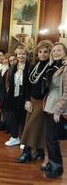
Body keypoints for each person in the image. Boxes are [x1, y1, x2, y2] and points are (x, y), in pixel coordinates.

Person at [15, 40, 53, 163]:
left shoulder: (52, 68)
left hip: (43, 103)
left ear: (50, 53)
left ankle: (26, 152)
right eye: (40, 51)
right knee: (37, 127)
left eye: (45, 52)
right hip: (31, 101)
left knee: (31, 127)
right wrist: (27, 100)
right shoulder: (33, 66)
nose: (42, 54)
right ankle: (40, 152)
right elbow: (27, 85)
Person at [41, 42, 67, 178]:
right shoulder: (54, 66)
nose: (55, 52)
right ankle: (51, 163)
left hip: (57, 108)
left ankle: (57, 168)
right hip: (49, 105)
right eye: (54, 51)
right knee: (49, 138)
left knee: (52, 139)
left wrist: (58, 111)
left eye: (59, 50)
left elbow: (66, 93)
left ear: (65, 52)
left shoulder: (66, 67)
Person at [5, 46, 31, 147]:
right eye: (19, 54)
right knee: (13, 117)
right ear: (16, 55)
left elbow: (30, 85)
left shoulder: (30, 67)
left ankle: (24, 140)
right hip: (13, 96)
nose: (21, 55)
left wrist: (28, 99)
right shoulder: (13, 67)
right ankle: (14, 137)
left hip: (24, 96)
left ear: (27, 55)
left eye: (23, 53)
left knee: (24, 119)